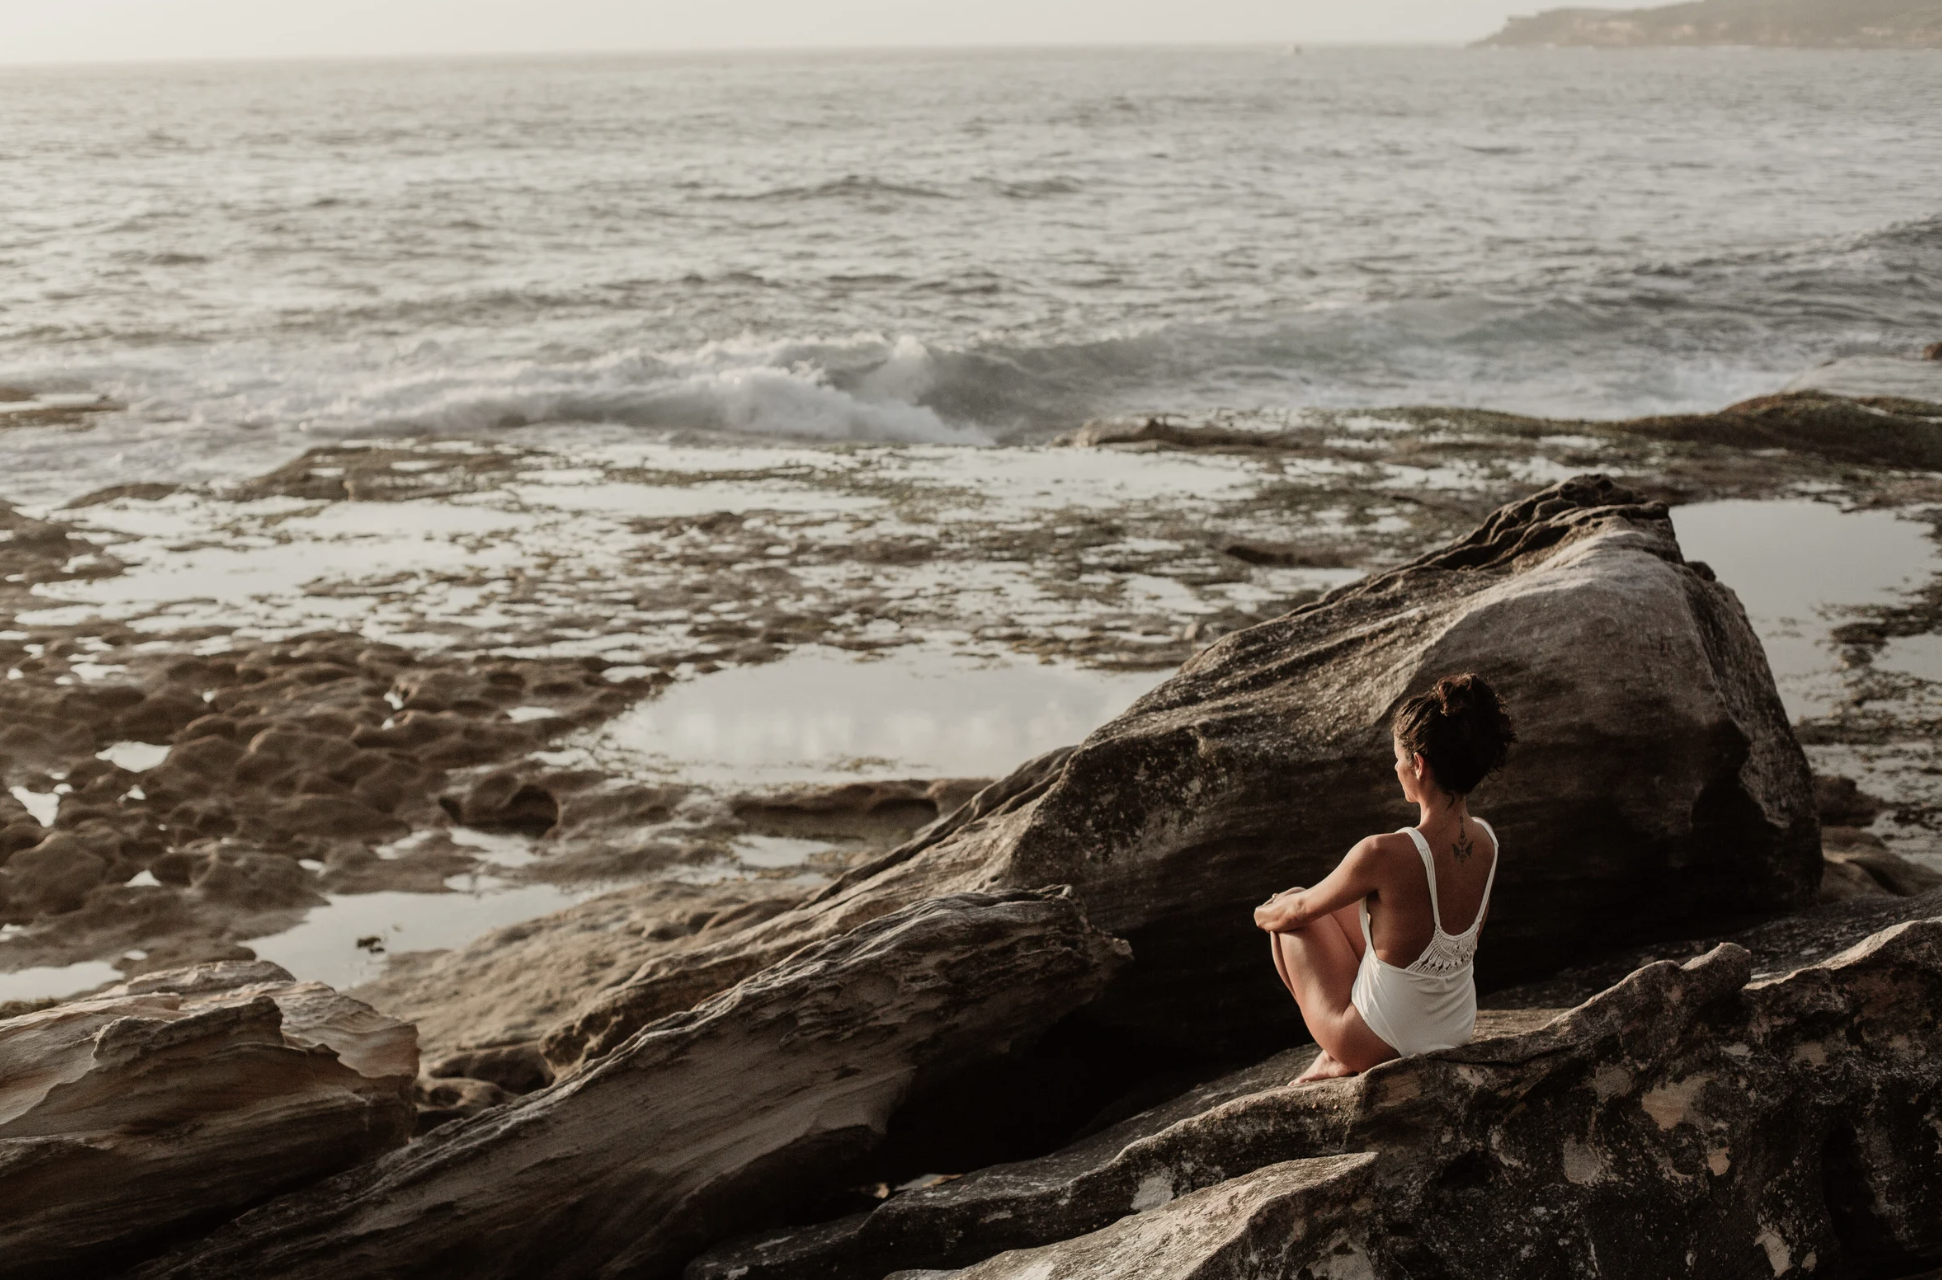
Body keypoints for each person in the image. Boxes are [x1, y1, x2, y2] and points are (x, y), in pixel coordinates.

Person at [1254, 673, 1516, 1083]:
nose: (1396, 767)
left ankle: (1338, 1054)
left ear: (1419, 764)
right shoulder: (1487, 840)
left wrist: (1262, 914)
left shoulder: (1383, 853)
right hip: (1455, 1028)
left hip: (1383, 1042)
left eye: (1398, 757)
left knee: (1290, 915)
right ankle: (1346, 1045)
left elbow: (1298, 911)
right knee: (1351, 916)